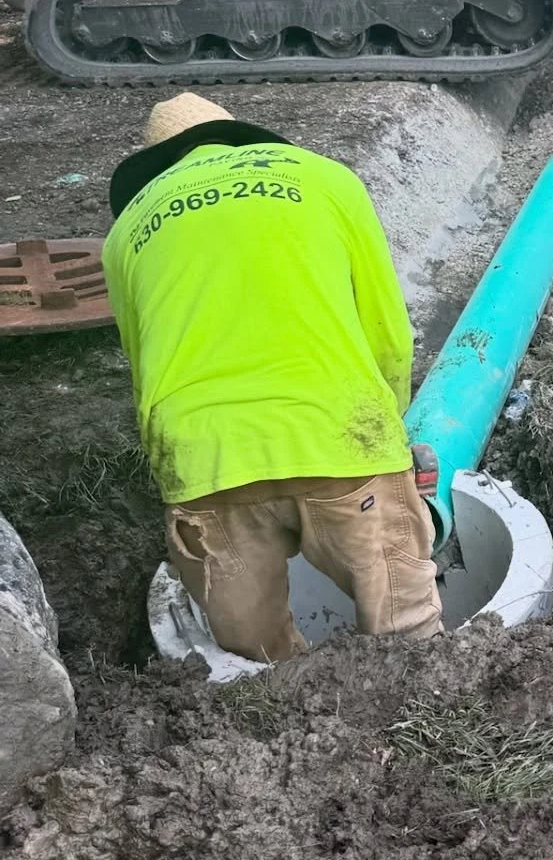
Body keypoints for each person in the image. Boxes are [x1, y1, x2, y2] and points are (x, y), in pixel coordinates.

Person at [102, 93, 443, 665]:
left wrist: (177, 467)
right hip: (341, 436)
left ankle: (276, 743)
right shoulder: (326, 180)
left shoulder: (125, 232)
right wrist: (390, 433)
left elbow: (146, 371)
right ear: (244, 141)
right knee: (408, 635)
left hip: (203, 458)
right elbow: (387, 331)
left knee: (255, 659)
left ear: (157, 166)